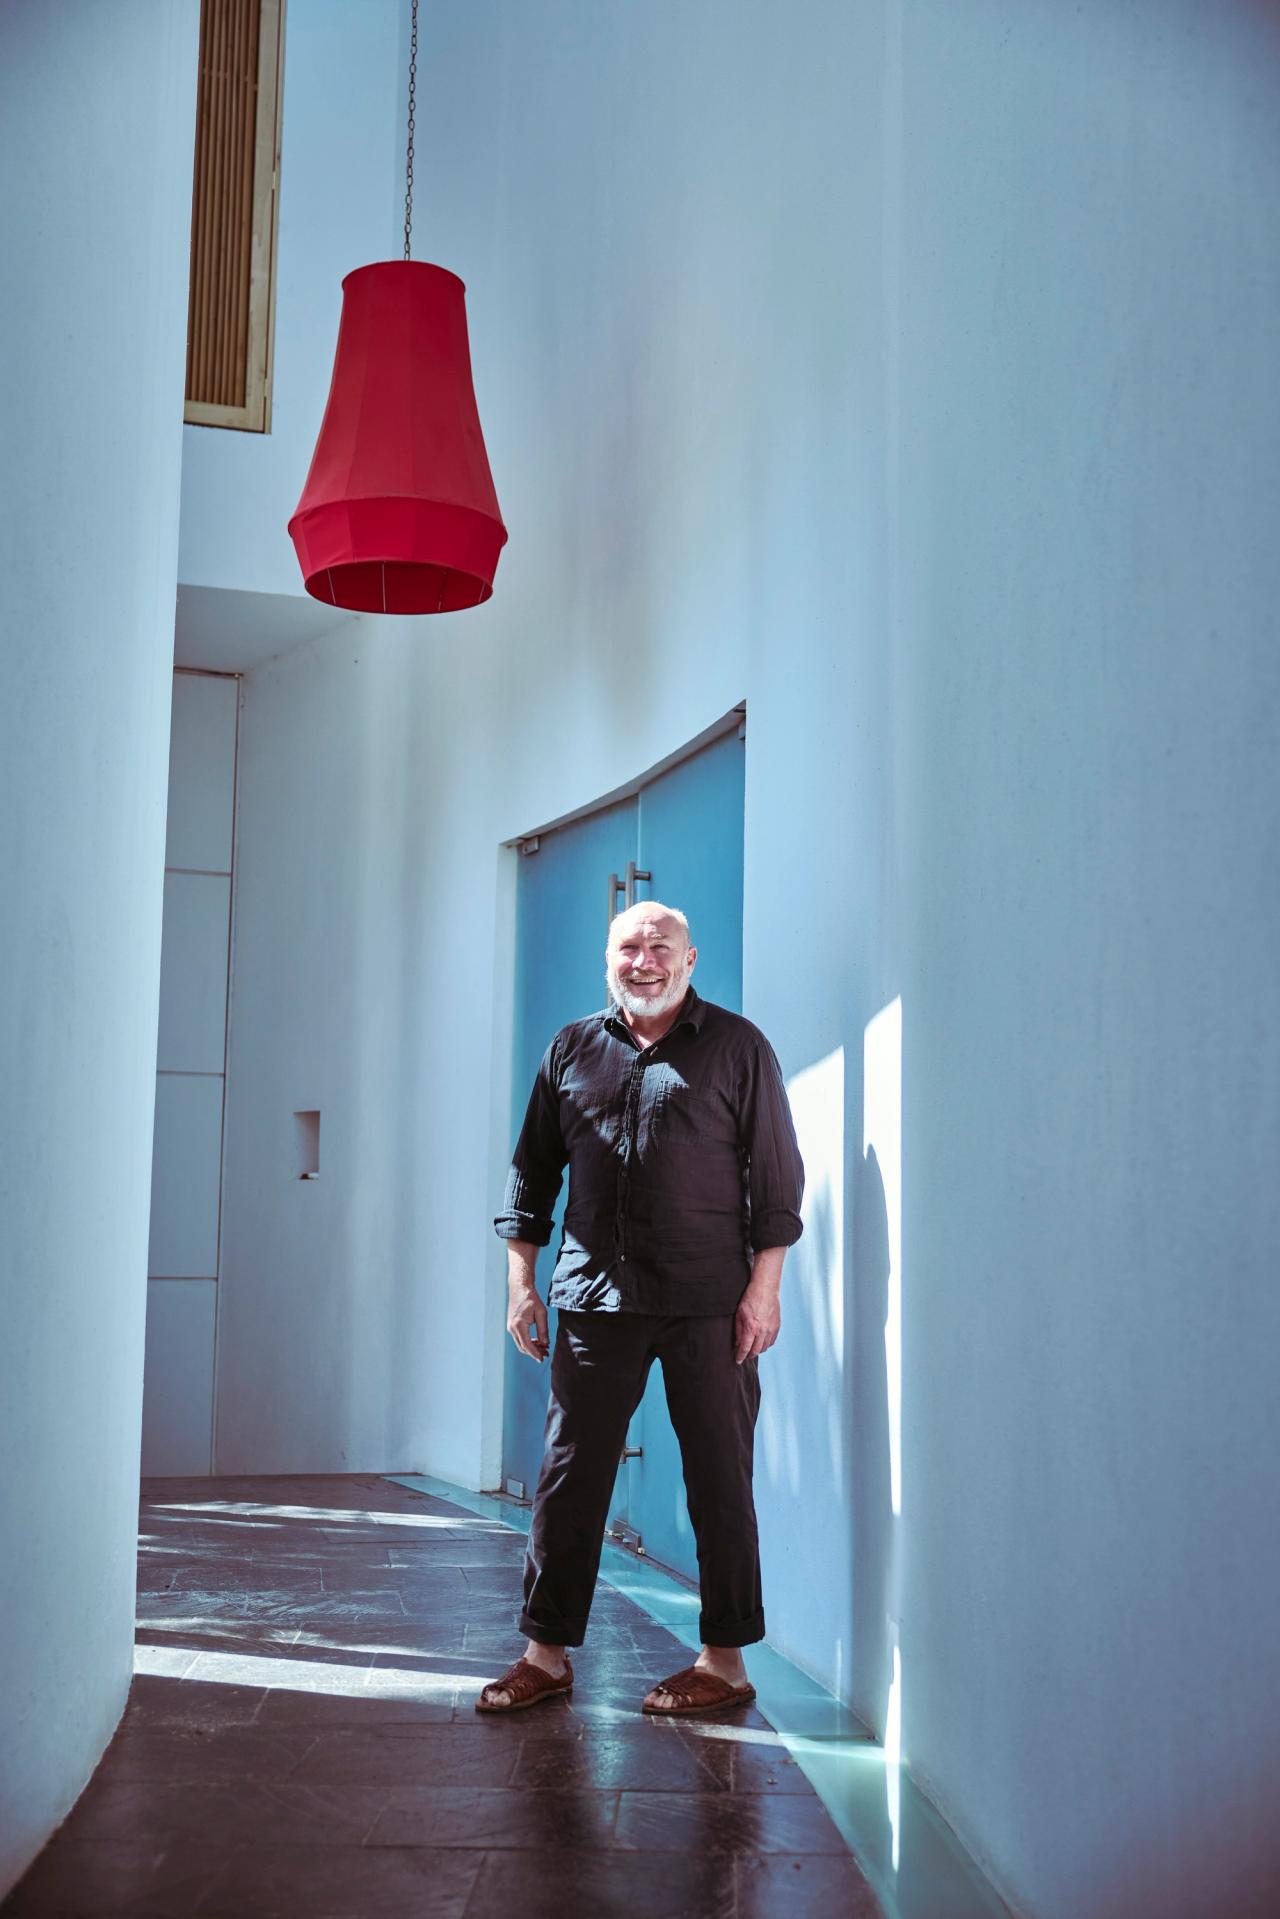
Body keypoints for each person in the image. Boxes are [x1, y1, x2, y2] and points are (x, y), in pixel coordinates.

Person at [477, 900, 804, 1715]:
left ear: (690, 960)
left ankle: (723, 1661)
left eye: (662, 945)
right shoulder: (571, 1049)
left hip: (710, 1304)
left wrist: (764, 1289)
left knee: (718, 1481)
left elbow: (777, 1179)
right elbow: (532, 1175)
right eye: (630, 945)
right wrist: (522, 1282)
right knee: (568, 1479)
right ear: (608, 959)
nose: (645, 959)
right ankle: (544, 1654)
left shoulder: (739, 1048)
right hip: (593, 1298)